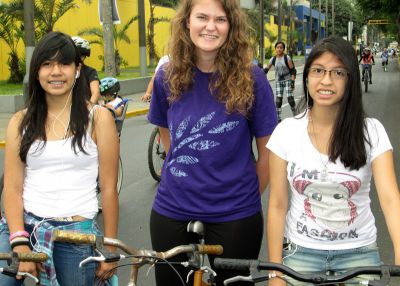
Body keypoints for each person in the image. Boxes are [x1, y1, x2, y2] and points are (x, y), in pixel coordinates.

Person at [148, 0, 277, 285]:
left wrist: (246, 197)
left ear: (231, 26)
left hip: (235, 212)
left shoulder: (252, 78)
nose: (210, 26)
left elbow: (269, 151)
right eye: (202, 17)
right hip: (173, 207)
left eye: (220, 19)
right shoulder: (165, 77)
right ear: (187, 22)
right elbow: (166, 132)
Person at [266, 36, 400, 286]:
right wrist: (276, 271)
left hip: (359, 253)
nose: (326, 80)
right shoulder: (285, 131)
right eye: (318, 70)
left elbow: (391, 200)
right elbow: (277, 205)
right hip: (301, 252)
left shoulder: (371, 131)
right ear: (306, 77)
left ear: (350, 80)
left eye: (338, 72)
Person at [0, 31, 120, 286]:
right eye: (47, 64)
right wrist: (19, 242)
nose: (56, 72)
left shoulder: (99, 119)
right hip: (23, 228)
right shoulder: (20, 122)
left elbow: (109, 189)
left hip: (75, 237)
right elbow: (12, 187)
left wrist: (110, 249)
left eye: (64, 63)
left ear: (77, 70)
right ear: (36, 71)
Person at [263, 41, 297, 122]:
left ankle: (296, 115)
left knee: (290, 99)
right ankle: (278, 118)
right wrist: (259, 74)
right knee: (278, 100)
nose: (279, 49)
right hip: (278, 81)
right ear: (275, 49)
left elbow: (293, 71)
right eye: (277, 47)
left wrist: (292, 82)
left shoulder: (287, 58)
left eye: (281, 48)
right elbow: (266, 70)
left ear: (283, 49)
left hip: (288, 80)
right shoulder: (273, 59)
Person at [72, 36, 101, 104]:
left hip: (86, 108)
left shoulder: (90, 72)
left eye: (82, 55)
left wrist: (89, 108)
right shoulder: (64, 71)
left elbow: (95, 92)